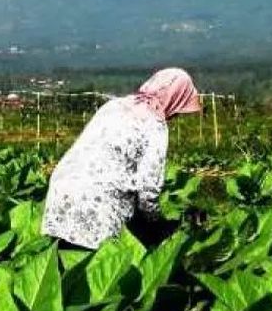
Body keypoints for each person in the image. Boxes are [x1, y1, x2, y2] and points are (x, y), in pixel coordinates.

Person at [41, 68, 201, 250]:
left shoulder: (114, 105)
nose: (176, 116)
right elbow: (149, 186)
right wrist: (156, 224)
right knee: (99, 265)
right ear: (174, 98)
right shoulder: (154, 123)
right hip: (99, 201)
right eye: (179, 109)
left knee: (66, 262)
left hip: (62, 188)